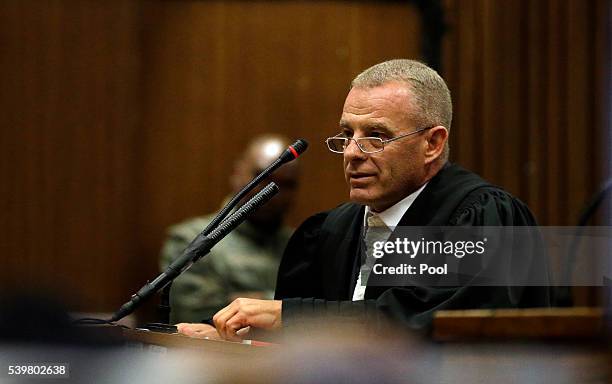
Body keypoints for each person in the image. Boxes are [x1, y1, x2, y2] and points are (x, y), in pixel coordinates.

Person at [178, 59, 550, 341]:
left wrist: (291, 316)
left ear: (432, 144)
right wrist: (242, 341)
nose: (352, 153)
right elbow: (304, 348)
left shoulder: (479, 218)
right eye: (346, 133)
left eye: (376, 135)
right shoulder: (330, 231)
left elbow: (430, 325)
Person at [160, 134, 300, 323]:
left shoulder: (300, 245)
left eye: (287, 184)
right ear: (237, 173)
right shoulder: (189, 240)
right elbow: (196, 312)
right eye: (263, 176)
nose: (273, 191)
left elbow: (314, 318)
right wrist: (282, 309)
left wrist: (246, 301)